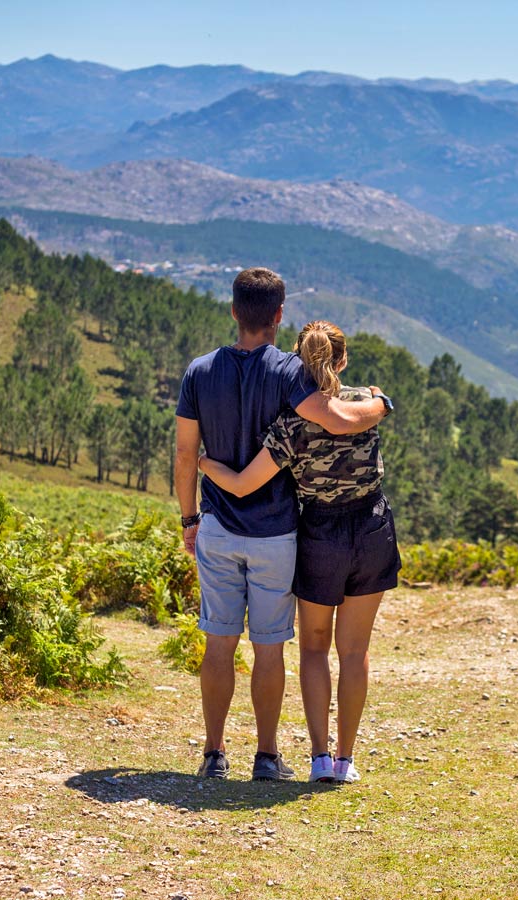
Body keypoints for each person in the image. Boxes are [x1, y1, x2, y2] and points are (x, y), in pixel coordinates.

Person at [174, 269, 388, 781]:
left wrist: (189, 517)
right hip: (277, 532)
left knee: (218, 643)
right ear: (277, 316)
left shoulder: (198, 372)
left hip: (219, 527)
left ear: (232, 311)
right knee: (270, 647)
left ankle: (213, 752)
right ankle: (268, 756)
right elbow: (334, 418)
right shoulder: (291, 372)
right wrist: (380, 404)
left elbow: (185, 454)